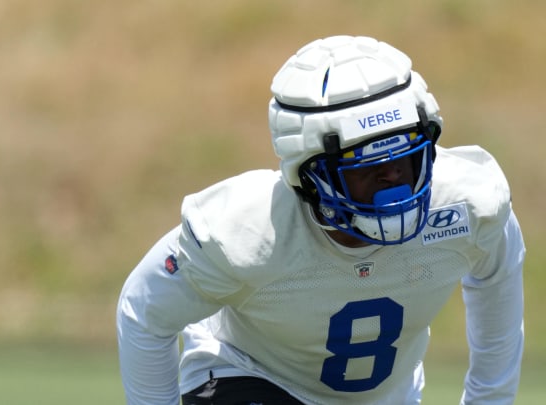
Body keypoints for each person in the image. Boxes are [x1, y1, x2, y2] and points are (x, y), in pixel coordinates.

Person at [117, 35, 525, 405]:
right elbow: (144, 310)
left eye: (406, 156)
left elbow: (498, 275)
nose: (395, 176)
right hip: (251, 376)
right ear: (311, 174)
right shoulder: (249, 231)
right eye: (366, 167)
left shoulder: (468, 203)